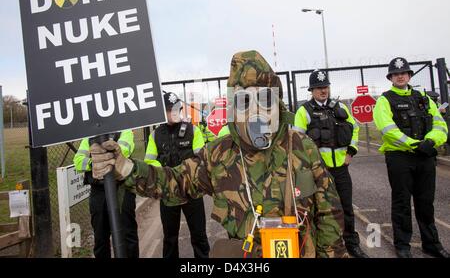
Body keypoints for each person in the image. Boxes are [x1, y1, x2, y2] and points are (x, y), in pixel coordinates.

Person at [89, 50, 347, 258]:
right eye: (245, 101)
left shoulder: (301, 146)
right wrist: (127, 169)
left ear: (278, 103)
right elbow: (174, 182)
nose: (257, 111)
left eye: (265, 99)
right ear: (234, 107)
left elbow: (329, 212)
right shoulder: (219, 155)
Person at [373, 57, 449, 258]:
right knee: (402, 202)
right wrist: (416, 145)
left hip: (424, 156)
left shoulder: (423, 98)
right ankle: (403, 245)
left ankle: (431, 243)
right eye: (396, 74)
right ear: (391, 77)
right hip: (400, 158)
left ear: (409, 75)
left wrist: (431, 141)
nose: (400, 76)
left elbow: (440, 125)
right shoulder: (384, 100)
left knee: (426, 202)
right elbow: (388, 130)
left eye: (404, 73)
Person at [293, 70, 368, 258]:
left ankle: (351, 244)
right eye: (319, 88)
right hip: (317, 173)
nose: (323, 90)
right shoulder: (304, 111)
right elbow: (297, 141)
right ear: (312, 90)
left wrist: (351, 151)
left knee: (346, 208)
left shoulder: (340, 107)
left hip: (341, 169)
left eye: (325, 87)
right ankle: (321, 246)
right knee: (319, 210)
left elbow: (355, 129)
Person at [144, 92, 210, 258]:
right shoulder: (155, 135)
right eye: (169, 109)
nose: (173, 112)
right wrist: (166, 176)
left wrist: (183, 174)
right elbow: (149, 161)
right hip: (168, 194)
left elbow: (201, 158)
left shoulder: (193, 131)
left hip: (192, 192)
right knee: (170, 239)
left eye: (176, 109)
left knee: (199, 236)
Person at [73, 130, 139, 258]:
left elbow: (123, 152)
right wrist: (94, 163)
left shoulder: (125, 131)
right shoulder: (89, 136)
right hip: (98, 191)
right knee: (100, 237)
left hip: (121, 188)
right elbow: (78, 162)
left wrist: (101, 159)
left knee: (127, 235)